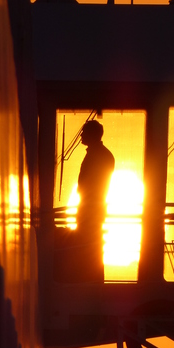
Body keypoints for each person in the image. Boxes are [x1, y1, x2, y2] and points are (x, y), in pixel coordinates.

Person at [75, 119, 115, 281]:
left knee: (89, 247)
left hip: (91, 208)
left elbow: (93, 183)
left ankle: (91, 280)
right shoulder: (103, 155)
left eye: (84, 133)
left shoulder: (99, 155)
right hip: (92, 207)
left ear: (91, 134)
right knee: (92, 247)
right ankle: (93, 279)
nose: (81, 136)